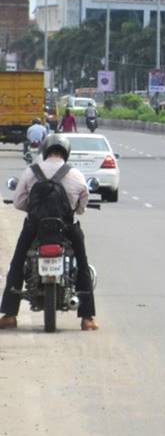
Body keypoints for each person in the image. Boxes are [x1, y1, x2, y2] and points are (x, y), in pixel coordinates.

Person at [0, 134, 97, 330]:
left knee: (17, 263)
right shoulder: (76, 174)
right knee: (82, 264)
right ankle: (87, 318)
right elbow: (81, 208)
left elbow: (19, 202)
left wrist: (36, 211)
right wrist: (75, 209)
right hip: (67, 228)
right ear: (66, 153)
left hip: (35, 228)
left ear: (45, 151)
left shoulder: (31, 171)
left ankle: (9, 314)